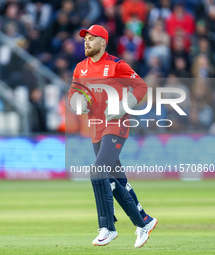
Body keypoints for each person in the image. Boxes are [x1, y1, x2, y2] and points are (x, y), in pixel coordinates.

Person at [68, 25, 157, 248]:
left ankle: (107, 228)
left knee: (97, 173)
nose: (86, 42)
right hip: (96, 128)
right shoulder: (80, 68)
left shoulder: (116, 65)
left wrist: (123, 107)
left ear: (103, 42)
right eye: (85, 39)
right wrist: (74, 101)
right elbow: (73, 92)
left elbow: (141, 86)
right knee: (116, 181)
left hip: (116, 126)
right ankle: (144, 221)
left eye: (91, 38)